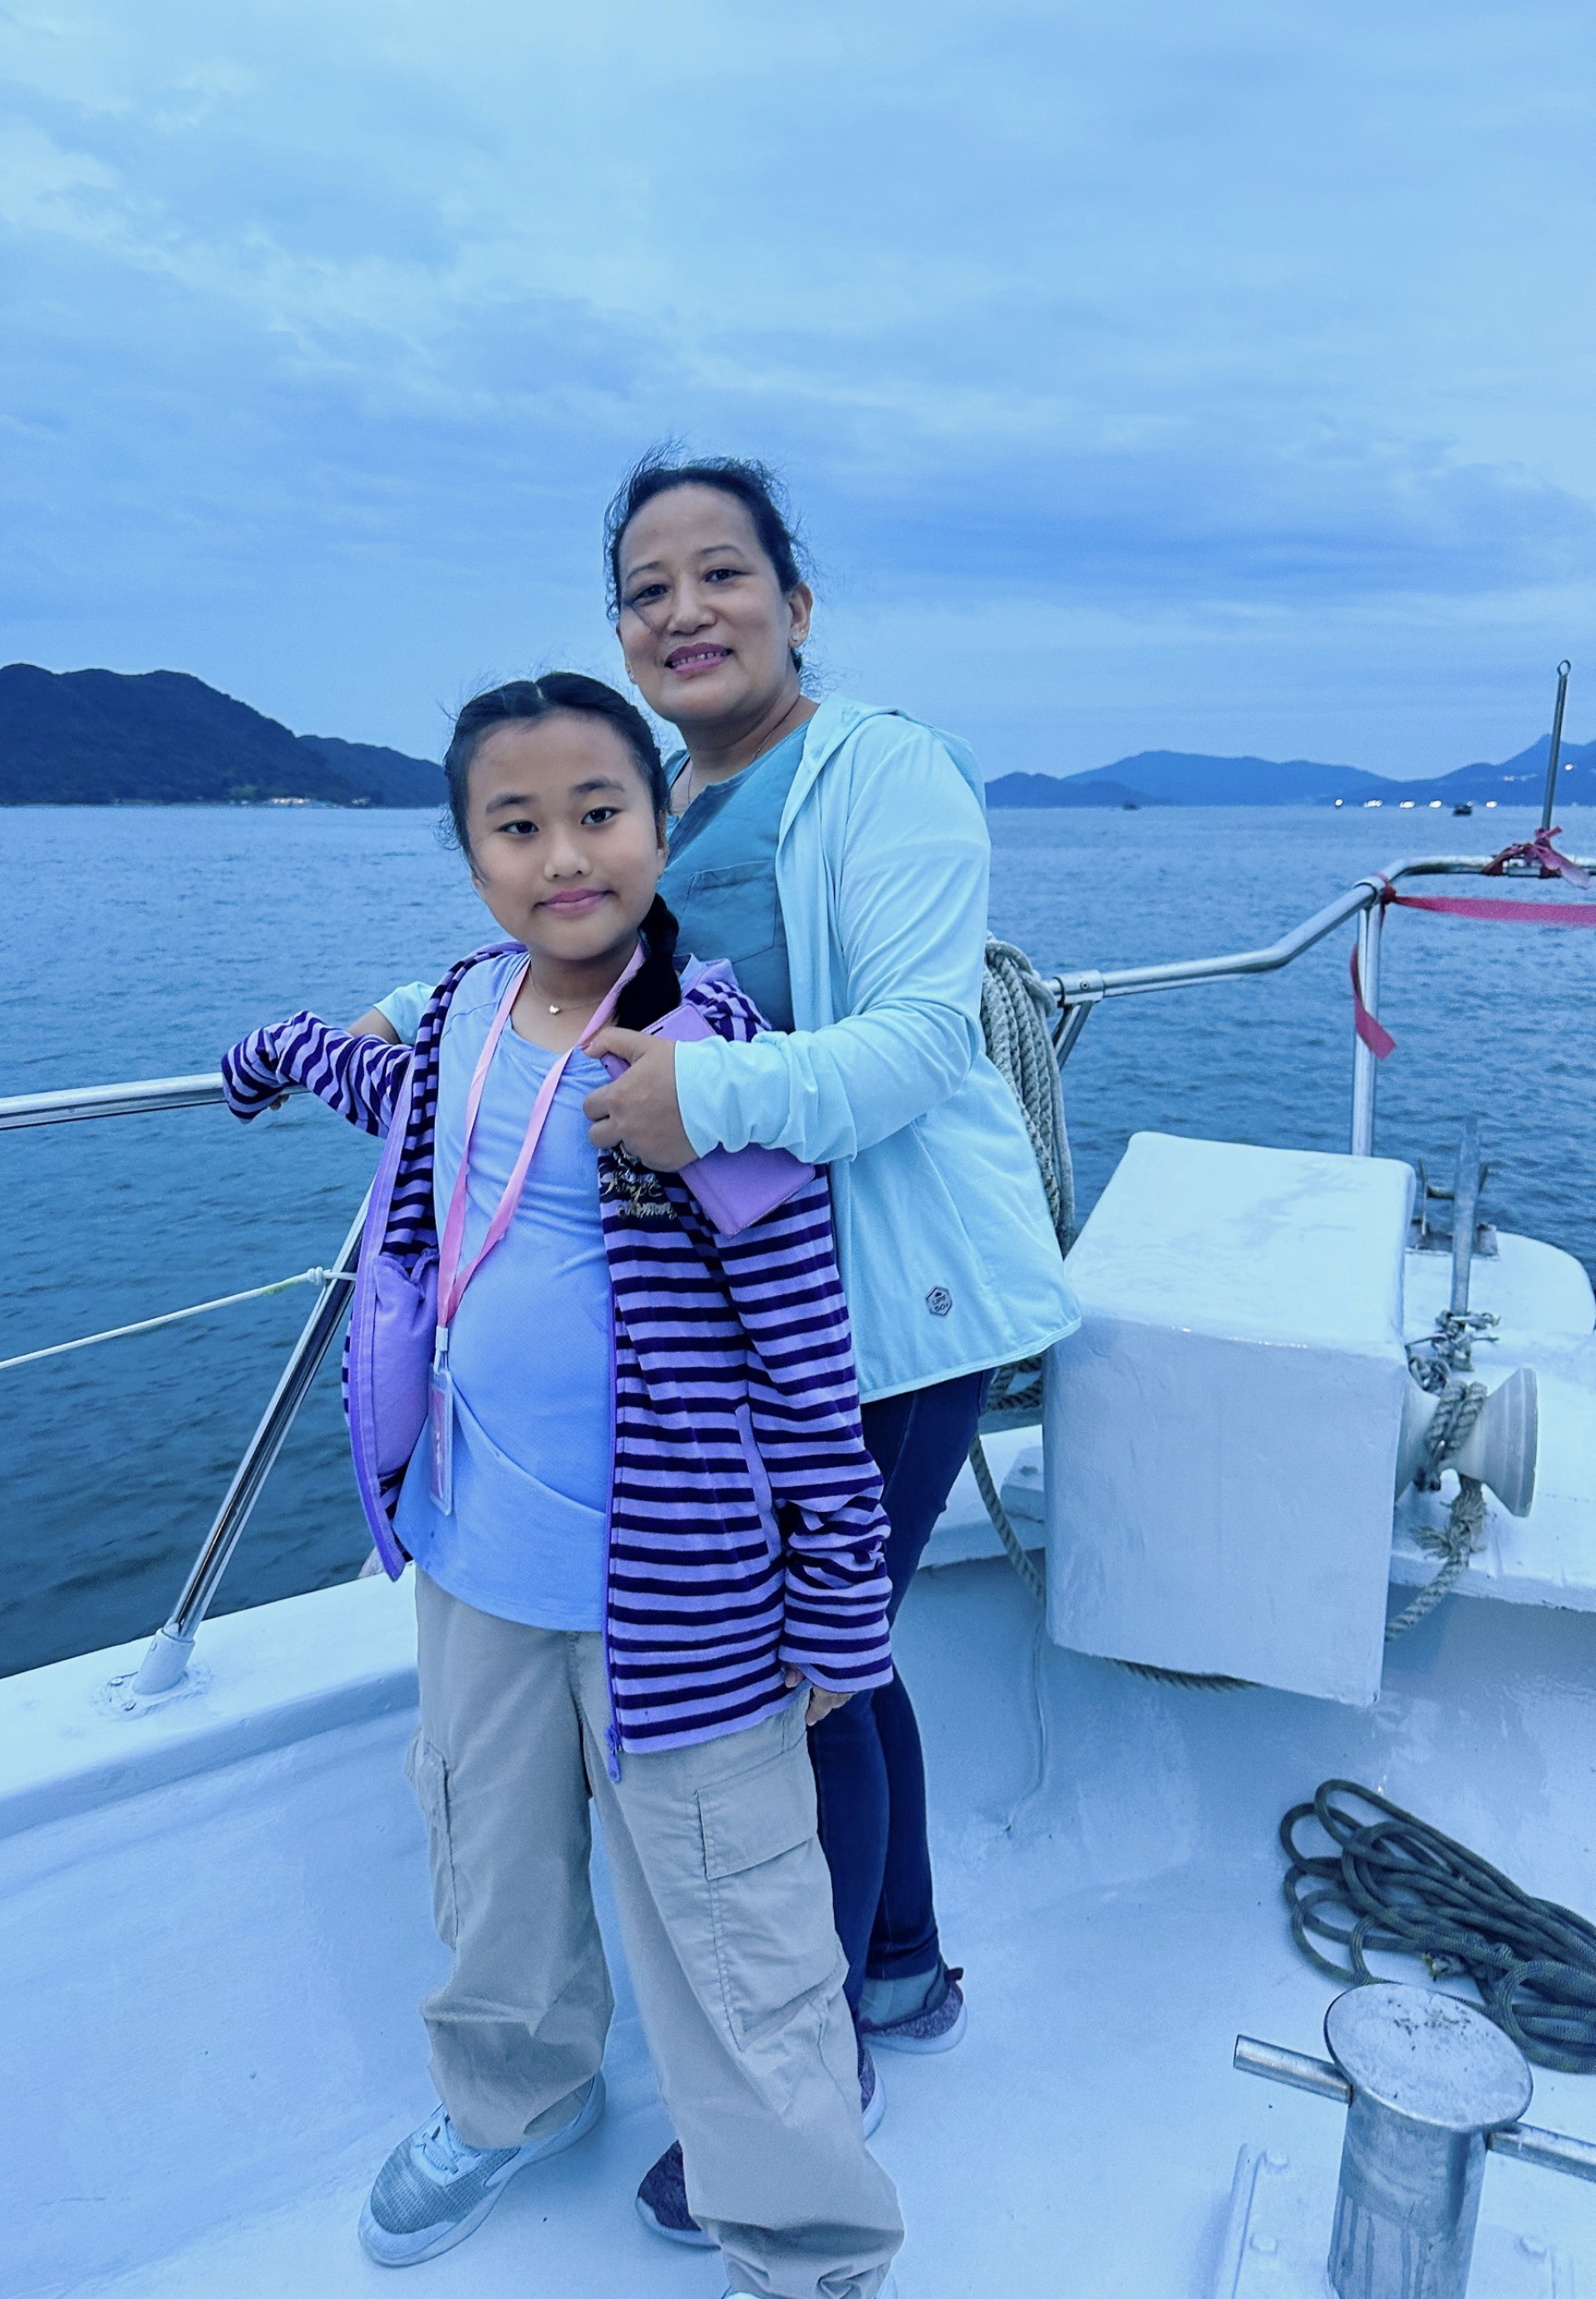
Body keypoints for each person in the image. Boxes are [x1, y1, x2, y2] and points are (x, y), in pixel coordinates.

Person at [362, 456, 1079, 2245]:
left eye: (723, 573)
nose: (684, 609)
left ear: (797, 603)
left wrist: (709, 1096)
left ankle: (817, 2068)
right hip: (769, 1304)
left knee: (800, 1686)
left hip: (885, 1303)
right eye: (646, 587)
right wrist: (411, 1017)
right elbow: (588, 955)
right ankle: (898, 1966)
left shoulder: (878, 767)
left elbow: (923, 1037)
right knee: (857, 1663)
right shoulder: (670, 797)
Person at [224, 674, 903, 2299]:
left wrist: (838, 1606)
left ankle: (805, 2239)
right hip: (473, 1551)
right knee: (490, 1864)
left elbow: (805, 1352)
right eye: (516, 826)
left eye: (600, 813)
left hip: (684, 1595)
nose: (565, 856)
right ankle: (514, 2099)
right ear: (471, 858)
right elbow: (417, 1116)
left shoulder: (706, 1056)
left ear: (662, 826)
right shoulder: (464, 1006)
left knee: (733, 1922)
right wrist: (278, 1051)